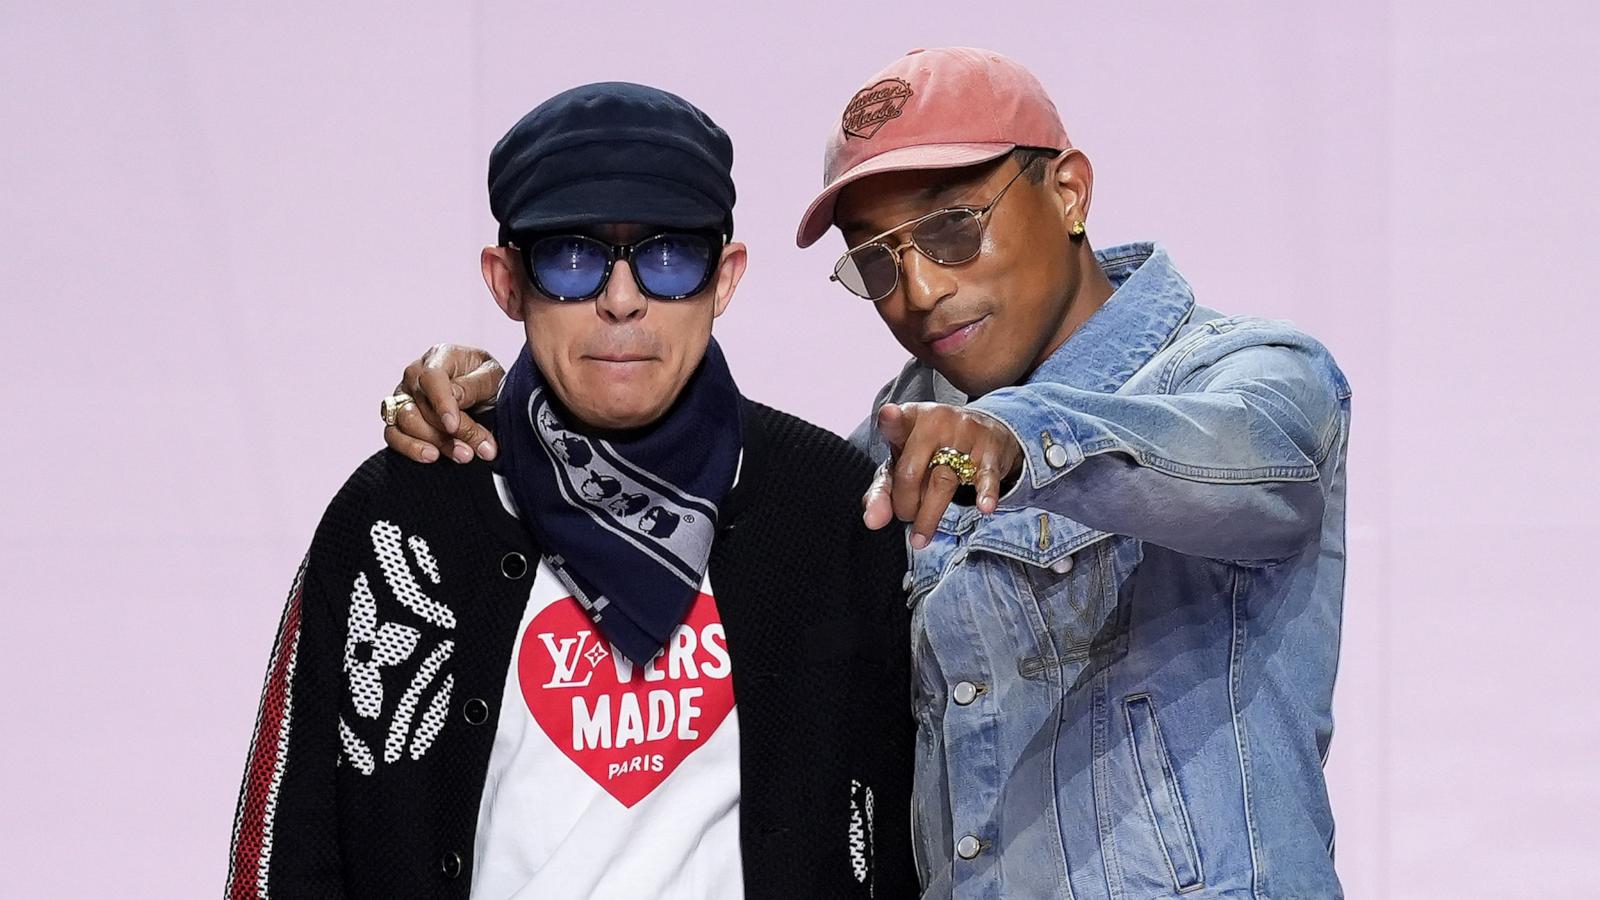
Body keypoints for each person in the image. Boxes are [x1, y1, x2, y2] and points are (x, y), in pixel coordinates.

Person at [390, 48, 1352, 900]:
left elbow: (1258, 471)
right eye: (878, 263)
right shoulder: (880, 459)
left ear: (1068, 190)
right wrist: (505, 410)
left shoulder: (1253, 376)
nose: (920, 290)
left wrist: (1020, 442)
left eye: (949, 231)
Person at [226, 82, 917, 900]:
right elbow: (285, 843)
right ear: (505, 280)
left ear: (725, 279)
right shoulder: (403, 513)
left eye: (668, 256)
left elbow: (905, 824)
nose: (621, 300)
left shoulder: (825, 508)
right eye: (572, 256)